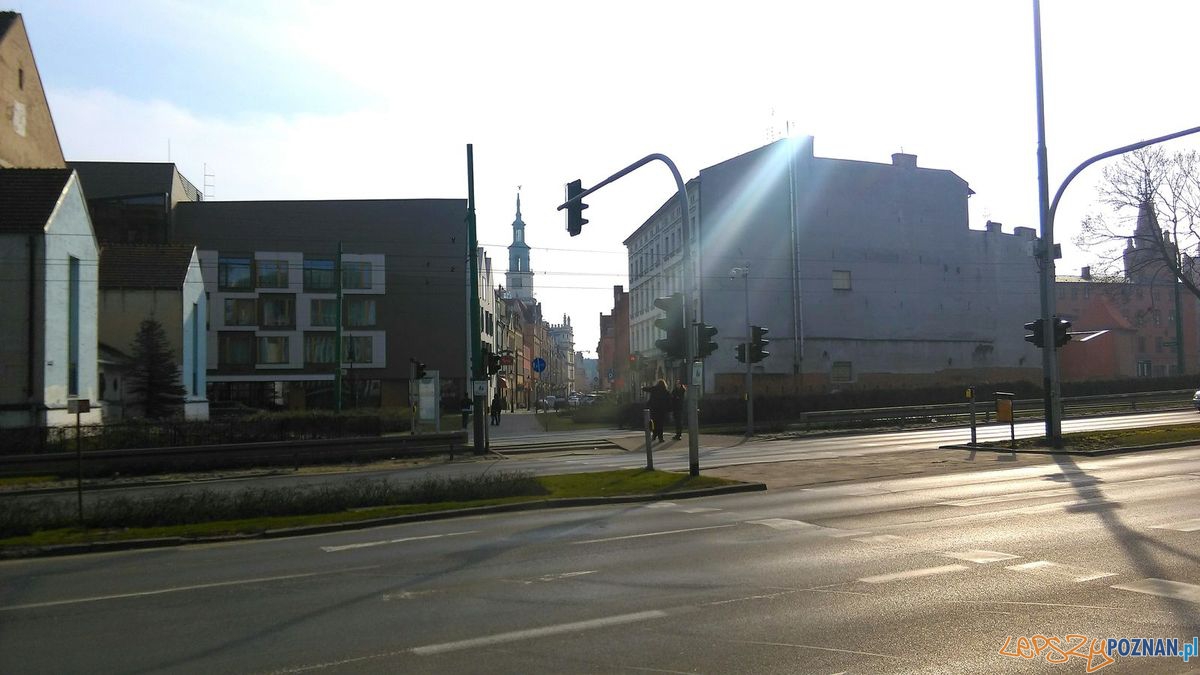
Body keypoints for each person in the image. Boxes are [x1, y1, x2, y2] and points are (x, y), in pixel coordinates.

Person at [642, 378, 671, 443]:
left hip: (654, 409)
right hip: (662, 410)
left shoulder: (654, 389)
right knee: (660, 424)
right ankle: (661, 438)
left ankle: (654, 436)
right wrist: (668, 409)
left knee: (654, 423)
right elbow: (669, 400)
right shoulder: (666, 391)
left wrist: (643, 388)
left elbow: (648, 389)